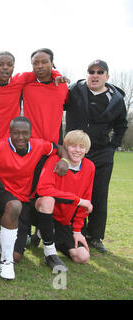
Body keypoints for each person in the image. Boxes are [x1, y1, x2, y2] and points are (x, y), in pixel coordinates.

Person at [0, 116, 67, 279]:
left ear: (31, 134)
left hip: (26, 201)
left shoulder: (39, 145)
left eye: (25, 133)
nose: (20, 137)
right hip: (2, 195)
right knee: (14, 206)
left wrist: (64, 160)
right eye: (16, 133)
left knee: (17, 256)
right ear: (9, 133)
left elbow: (59, 148)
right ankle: (6, 262)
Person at [65, 60, 128, 253]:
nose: (95, 75)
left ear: (107, 76)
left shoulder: (116, 98)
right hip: (73, 152)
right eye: (91, 71)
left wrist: (112, 147)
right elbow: (55, 104)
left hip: (101, 153)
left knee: (99, 195)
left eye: (100, 72)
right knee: (70, 194)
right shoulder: (75, 90)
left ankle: (96, 236)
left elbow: (121, 126)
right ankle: (69, 231)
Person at [36, 130, 95, 265]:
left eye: (82, 147)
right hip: (43, 213)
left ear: (86, 150)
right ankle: (49, 250)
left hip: (64, 221)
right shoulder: (55, 160)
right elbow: (44, 189)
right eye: (73, 146)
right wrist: (77, 200)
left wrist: (77, 230)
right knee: (47, 199)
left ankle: (51, 236)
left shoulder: (89, 167)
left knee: (82, 257)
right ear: (66, 146)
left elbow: (86, 199)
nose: (77, 150)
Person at [22, 48, 69, 145]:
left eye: (44, 62)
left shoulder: (62, 85)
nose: (40, 66)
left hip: (55, 144)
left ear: (52, 64)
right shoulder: (26, 87)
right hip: (31, 144)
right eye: (35, 63)